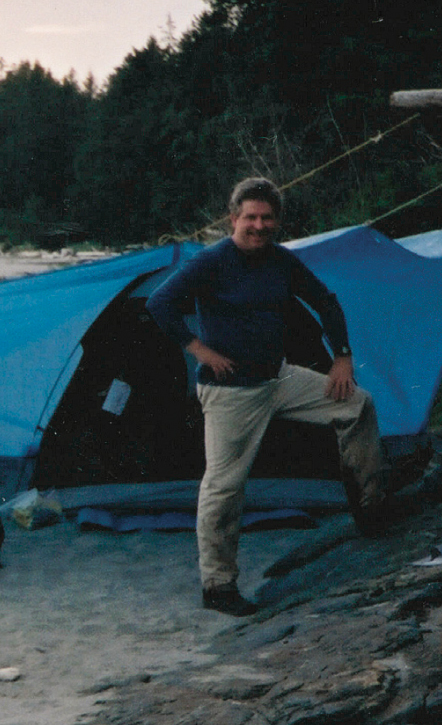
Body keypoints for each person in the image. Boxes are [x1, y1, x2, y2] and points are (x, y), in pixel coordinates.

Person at [146, 177, 388, 617]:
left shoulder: (281, 261)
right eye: (250, 217)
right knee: (224, 486)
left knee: (357, 404)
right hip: (231, 392)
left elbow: (326, 301)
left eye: (267, 217)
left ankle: (369, 508)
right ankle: (217, 585)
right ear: (232, 218)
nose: (258, 226)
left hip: (277, 378)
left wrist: (342, 358)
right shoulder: (213, 261)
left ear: (277, 221)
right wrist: (199, 349)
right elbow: (160, 302)